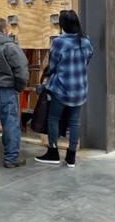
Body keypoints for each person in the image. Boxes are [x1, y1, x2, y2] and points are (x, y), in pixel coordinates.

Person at [35, 10, 93, 168]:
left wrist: (46, 75)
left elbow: (52, 65)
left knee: (53, 118)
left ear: (62, 24)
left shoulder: (59, 41)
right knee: (74, 122)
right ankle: (71, 157)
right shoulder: (85, 40)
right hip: (80, 88)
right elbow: (88, 58)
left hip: (61, 88)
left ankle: (53, 153)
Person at [0, 18, 29, 168]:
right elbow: (21, 68)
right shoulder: (9, 46)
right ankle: (11, 158)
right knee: (10, 122)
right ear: (5, 30)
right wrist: (19, 86)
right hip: (6, 88)